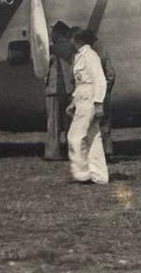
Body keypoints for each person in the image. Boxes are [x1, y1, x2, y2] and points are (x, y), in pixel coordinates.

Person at [66, 29, 108, 184]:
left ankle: (82, 174)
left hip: (89, 99)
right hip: (82, 98)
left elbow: (100, 80)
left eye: (70, 38)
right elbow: (80, 83)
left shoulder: (90, 56)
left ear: (76, 39)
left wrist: (98, 104)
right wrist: (73, 102)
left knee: (75, 136)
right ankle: (99, 176)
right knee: (93, 137)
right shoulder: (79, 56)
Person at [43, 23, 74, 161]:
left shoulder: (51, 49)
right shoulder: (71, 49)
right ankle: (72, 150)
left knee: (53, 123)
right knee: (70, 122)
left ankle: (52, 152)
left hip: (53, 89)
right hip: (69, 89)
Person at [94, 39, 117, 158]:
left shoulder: (87, 55)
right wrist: (107, 88)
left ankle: (102, 152)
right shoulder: (102, 53)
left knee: (97, 123)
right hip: (102, 91)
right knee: (105, 122)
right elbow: (111, 74)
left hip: (94, 92)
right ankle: (107, 151)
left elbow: (111, 74)